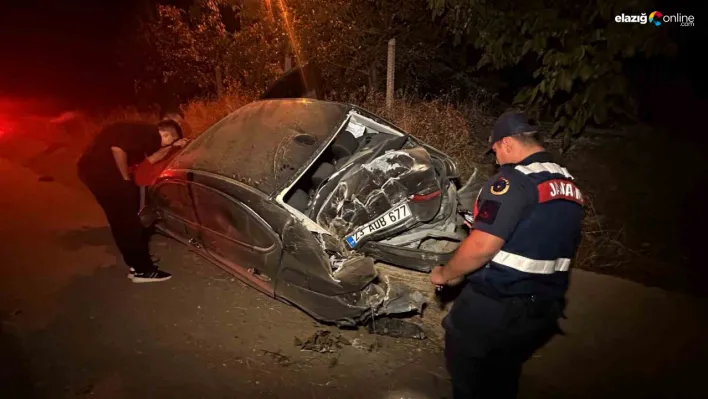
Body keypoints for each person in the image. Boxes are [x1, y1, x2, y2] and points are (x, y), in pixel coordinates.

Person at [430, 111, 584, 398]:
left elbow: (481, 247)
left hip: (498, 303)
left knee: (469, 373)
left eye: (496, 151)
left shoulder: (512, 181)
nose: (495, 159)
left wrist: (445, 273)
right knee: (502, 375)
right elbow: (536, 233)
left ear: (508, 143)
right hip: (542, 308)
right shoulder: (568, 183)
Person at [77, 120, 189, 283]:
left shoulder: (143, 133)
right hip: (103, 176)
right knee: (127, 222)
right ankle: (143, 270)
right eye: (170, 140)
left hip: (94, 173)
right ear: (165, 135)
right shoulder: (147, 133)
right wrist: (125, 180)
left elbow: (152, 158)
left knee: (123, 221)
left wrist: (172, 146)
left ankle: (136, 265)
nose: (163, 147)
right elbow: (117, 148)